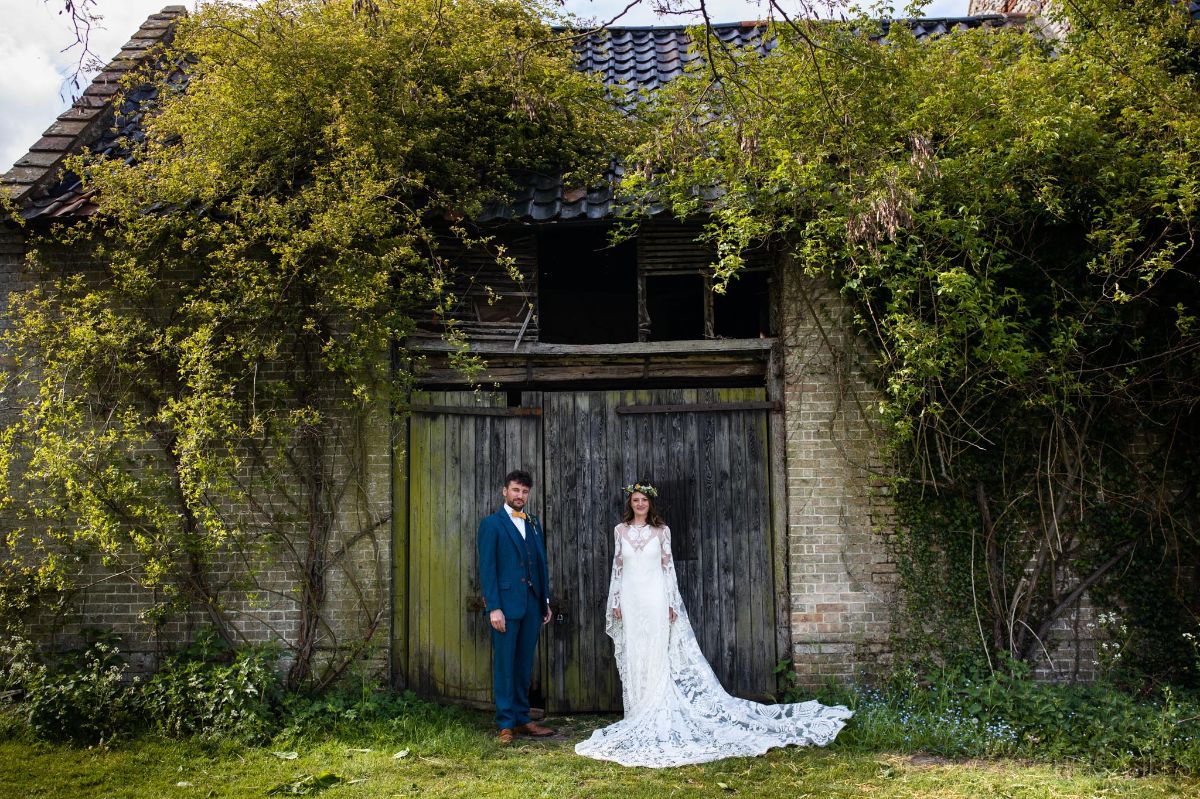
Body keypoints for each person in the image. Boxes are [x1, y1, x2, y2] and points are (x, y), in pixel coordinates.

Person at [575, 481, 852, 768]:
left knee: (656, 653)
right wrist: (616, 601)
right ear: (630, 503)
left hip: (656, 598)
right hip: (632, 600)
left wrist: (671, 602)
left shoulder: (662, 531)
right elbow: (617, 569)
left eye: (644, 499)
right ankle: (636, 713)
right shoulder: (620, 531)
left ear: (650, 503)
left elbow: (668, 570)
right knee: (635, 652)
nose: (640, 504)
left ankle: (657, 708)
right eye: (636, 500)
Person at [477, 469, 554, 744]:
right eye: (515, 490)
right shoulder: (491, 524)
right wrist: (493, 608)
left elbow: (541, 563)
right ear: (504, 491)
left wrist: (544, 600)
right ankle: (505, 724)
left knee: (523, 665)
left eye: (524, 491)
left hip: (532, 605)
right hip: (505, 608)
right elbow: (487, 570)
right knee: (505, 665)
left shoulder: (533, 522)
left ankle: (523, 719)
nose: (520, 495)